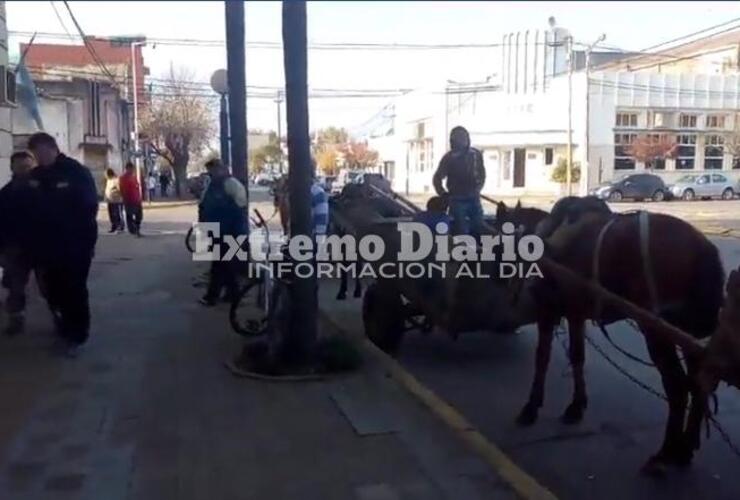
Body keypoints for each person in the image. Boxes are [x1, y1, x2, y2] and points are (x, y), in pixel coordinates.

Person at [26, 132, 98, 356]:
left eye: (41, 151)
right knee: (52, 290)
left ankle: (76, 335)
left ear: (53, 148)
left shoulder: (75, 172)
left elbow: (89, 207)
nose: (38, 157)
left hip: (74, 245)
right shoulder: (35, 176)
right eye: (35, 153)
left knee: (73, 290)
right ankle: (63, 325)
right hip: (46, 248)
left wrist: (77, 235)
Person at [198, 158, 247, 306]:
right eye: (210, 170)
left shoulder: (230, 184)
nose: (211, 173)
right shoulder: (213, 185)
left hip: (230, 232)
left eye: (212, 170)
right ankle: (231, 294)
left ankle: (215, 296)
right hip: (220, 231)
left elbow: (240, 205)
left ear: (220, 168)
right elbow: (205, 206)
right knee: (224, 265)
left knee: (222, 265)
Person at [0, 151, 36, 335]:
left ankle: (59, 314)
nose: (25, 170)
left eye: (28, 166)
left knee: (51, 285)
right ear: (12, 167)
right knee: (16, 286)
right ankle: (16, 317)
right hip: (16, 248)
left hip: (42, 245)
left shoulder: (42, 189)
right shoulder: (6, 194)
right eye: (21, 167)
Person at [432, 126, 486, 236]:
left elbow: (482, 173)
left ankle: (480, 249)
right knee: (461, 229)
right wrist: (443, 194)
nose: (460, 141)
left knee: (479, 226)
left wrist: (478, 188)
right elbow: (437, 178)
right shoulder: (448, 158)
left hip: (473, 197)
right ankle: (464, 250)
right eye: (457, 138)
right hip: (457, 199)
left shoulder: (475, 154)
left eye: (463, 138)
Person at [119, 162, 143, 236]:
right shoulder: (123, 178)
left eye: (132, 168)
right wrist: (125, 198)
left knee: (139, 215)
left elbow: (137, 186)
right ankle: (133, 230)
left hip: (136, 199)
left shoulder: (133, 177)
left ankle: (136, 228)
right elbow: (123, 189)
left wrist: (139, 197)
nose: (132, 170)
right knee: (130, 215)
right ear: (127, 168)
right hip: (129, 200)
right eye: (131, 168)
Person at [104, 168, 124, 233]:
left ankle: (119, 226)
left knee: (117, 214)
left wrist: (120, 197)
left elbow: (120, 189)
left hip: (117, 201)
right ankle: (113, 226)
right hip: (110, 200)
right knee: (111, 215)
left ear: (109, 174)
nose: (105, 176)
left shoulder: (116, 180)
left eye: (106, 174)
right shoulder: (108, 180)